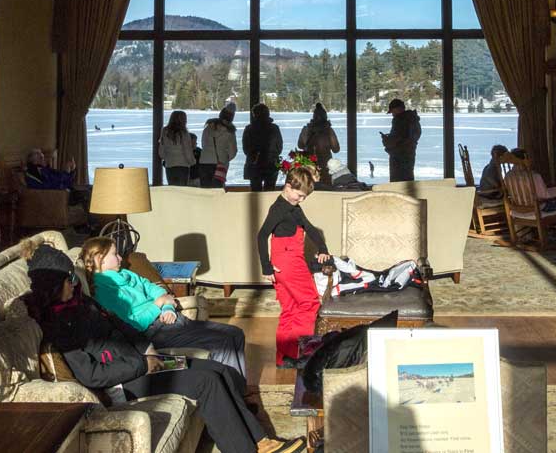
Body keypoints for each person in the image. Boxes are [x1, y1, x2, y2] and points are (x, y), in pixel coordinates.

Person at [21, 242, 304, 453]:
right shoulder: (58, 325)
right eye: (69, 280)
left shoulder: (81, 304)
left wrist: (148, 350)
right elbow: (92, 376)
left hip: (143, 363)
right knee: (206, 382)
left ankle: (262, 440)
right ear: (52, 286)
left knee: (219, 370)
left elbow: (122, 327)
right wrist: (144, 364)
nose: (75, 283)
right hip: (124, 383)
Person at [80, 237, 247, 384]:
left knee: (236, 333)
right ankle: (234, 394)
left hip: (171, 320)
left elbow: (158, 291)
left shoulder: (126, 274)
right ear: (99, 259)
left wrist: (168, 307)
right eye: (115, 254)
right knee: (223, 343)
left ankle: (239, 391)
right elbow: (132, 324)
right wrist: (158, 305)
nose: (120, 257)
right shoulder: (103, 289)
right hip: (154, 331)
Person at [257, 166, 330, 367]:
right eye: (299, 195)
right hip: (288, 260)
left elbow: (309, 227)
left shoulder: (292, 208)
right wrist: (266, 268)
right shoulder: (279, 209)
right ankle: (303, 355)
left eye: (304, 197)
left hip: (282, 262)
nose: (301, 200)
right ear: (288, 187)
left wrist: (323, 247)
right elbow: (262, 235)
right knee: (309, 303)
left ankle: (285, 359)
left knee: (290, 308)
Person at [242, 103, 283, 192]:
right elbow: (279, 147)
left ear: (255, 114)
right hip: (271, 164)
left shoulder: (249, 129)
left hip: (254, 164)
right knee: (269, 191)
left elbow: (246, 149)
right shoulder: (274, 128)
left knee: (255, 192)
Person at [380, 98, 421, 182]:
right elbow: (410, 137)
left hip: (399, 157)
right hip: (409, 154)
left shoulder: (400, 120)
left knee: (397, 183)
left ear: (398, 109)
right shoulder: (413, 119)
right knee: (407, 181)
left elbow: (396, 139)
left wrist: (386, 140)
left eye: (393, 111)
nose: (392, 114)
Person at [200, 107, 237, 188]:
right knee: (217, 189)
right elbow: (233, 151)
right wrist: (225, 158)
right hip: (220, 163)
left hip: (204, 161)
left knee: (205, 189)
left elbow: (203, 144)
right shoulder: (230, 131)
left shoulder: (208, 128)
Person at [297, 104, 340, 173]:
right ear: (325, 116)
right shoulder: (329, 130)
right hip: (325, 166)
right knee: (325, 182)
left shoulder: (306, 129)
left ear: (314, 116)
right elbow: (336, 149)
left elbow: (300, 145)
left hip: (309, 165)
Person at [159, 111, 196, 187]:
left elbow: (161, 152)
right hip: (182, 166)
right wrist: (192, 162)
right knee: (181, 190)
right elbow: (187, 151)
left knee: (172, 189)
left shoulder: (165, 132)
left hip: (170, 165)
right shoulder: (184, 133)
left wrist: (167, 158)